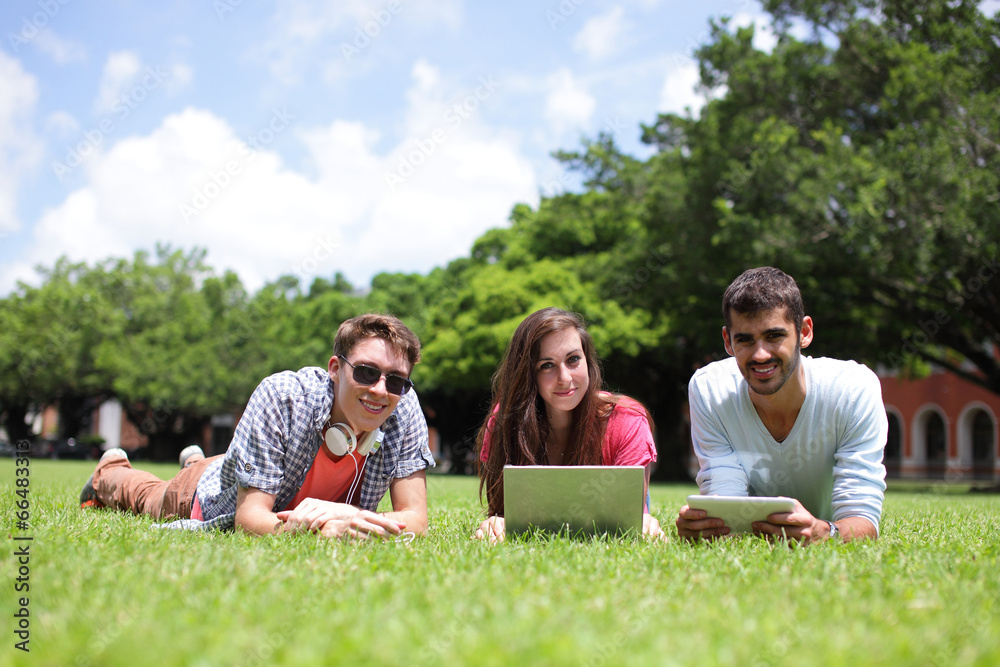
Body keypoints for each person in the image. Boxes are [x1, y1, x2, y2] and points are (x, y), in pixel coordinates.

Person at [80, 313, 435, 540]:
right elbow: (249, 518)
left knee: (211, 466)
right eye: (366, 372)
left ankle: (195, 460)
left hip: (249, 470)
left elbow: (416, 519)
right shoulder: (283, 397)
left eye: (396, 380)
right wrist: (321, 528)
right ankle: (110, 472)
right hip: (205, 496)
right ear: (335, 368)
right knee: (149, 496)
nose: (379, 390)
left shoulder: (402, 405)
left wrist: (347, 515)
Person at [676, 267, 887, 543]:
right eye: (745, 340)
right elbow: (724, 498)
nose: (760, 354)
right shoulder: (709, 389)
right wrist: (709, 525)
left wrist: (826, 532)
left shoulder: (852, 390)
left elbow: (863, 518)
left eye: (774, 336)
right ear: (728, 341)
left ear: (805, 332)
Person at [474, 307, 662, 542]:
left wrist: (643, 521)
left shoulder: (626, 419)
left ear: (588, 361)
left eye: (573, 359)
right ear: (527, 375)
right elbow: (502, 514)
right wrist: (497, 524)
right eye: (547, 365)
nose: (565, 378)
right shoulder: (505, 422)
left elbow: (630, 522)